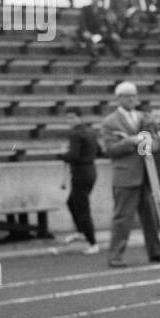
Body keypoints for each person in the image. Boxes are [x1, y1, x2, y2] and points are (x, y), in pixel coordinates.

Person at [100, 82, 160, 267]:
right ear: (120, 98)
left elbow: (155, 144)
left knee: (151, 217)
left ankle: (156, 251)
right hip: (126, 175)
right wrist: (131, 141)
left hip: (146, 173)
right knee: (123, 218)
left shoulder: (144, 117)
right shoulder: (110, 122)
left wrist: (148, 143)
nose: (132, 99)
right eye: (128, 96)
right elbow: (110, 149)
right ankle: (115, 255)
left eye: (134, 95)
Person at [60, 108, 101, 253]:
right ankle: (81, 231)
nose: (69, 121)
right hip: (91, 171)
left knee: (82, 207)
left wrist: (61, 155)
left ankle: (92, 242)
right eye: (68, 118)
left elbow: (74, 156)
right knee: (72, 202)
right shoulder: (90, 131)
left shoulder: (75, 134)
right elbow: (100, 151)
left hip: (80, 173)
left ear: (78, 118)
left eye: (72, 117)